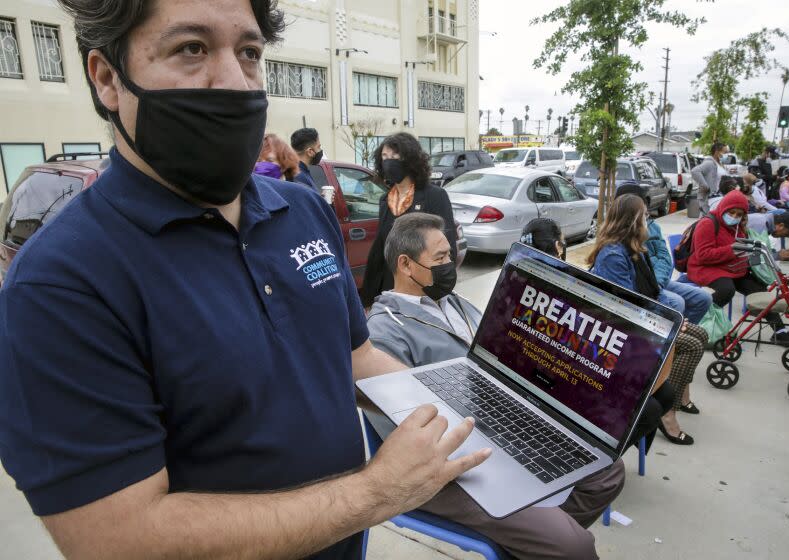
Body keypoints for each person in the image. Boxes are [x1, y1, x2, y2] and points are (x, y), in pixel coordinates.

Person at [0, 3, 492, 559]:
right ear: (108, 78)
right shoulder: (59, 285)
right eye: (192, 48)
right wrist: (377, 492)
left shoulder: (303, 210)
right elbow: (121, 540)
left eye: (250, 53)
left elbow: (353, 358)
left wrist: (464, 411)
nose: (235, 82)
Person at [367, 213, 625, 560]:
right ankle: (547, 537)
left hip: (504, 426)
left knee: (606, 471)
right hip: (451, 466)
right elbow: (400, 430)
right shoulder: (385, 332)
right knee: (573, 545)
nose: (451, 265)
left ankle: (537, 538)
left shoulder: (457, 304)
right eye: (440, 258)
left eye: (451, 255)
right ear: (405, 264)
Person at [519, 215, 680, 455]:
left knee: (664, 391)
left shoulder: (526, 274)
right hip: (565, 375)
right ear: (557, 247)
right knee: (651, 408)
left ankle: (607, 449)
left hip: (576, 364)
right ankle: (594, 459)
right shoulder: (560, 283)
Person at [587, 194, 708, 446]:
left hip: (645, 321)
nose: (648, 220)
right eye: (644, 216)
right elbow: (625, 310)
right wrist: (667, 324)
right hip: (627, 334)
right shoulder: (613, 255)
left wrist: (672, 319)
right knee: (691, 345)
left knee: (700, 335)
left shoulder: (633, 248)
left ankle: (668, 404)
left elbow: (651, 294)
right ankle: (668, 413)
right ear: (633, 220)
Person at [687, 190, 789, 346]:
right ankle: (696, 321)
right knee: (727, 290)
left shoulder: (739, 227)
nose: (734, 217)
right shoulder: (707, 223)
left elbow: (742, 250)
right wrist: (732, 249)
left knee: (759, 290)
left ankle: (780, 331)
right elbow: (703, 255)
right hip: (704, 267)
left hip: (731, 267)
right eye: (731, 212)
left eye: (738, 214)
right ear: (723, 208)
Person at [360, 132, 458, 308]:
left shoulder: (434, 196)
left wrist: (440, 288)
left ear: (410, 160)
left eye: (395, 156)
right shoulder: (386, 200)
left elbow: (447, 247)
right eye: (384, 157)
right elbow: (381, 248)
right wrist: (368, 296)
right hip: (392, 289)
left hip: (424, 290)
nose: (389, 161)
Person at [615, 184, 712, 324]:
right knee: (676, 303)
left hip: (658, 280)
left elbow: (664, 257)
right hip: (646, 285)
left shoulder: (652, 226)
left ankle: (681, 335)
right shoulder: (619, 244)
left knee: (703, 298)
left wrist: (658, 282)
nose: (646, 216)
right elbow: (627, 291)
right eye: (643, 213)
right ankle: (673, 338)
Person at [691, 142, 730, 217]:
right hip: (710, 199)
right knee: (708, 221)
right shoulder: (709, 163)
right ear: (717, 152)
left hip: (719, 198)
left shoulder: (720, 164)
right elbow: (695, 171)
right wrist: (705, 185)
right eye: (724, 152)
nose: (727, 155)